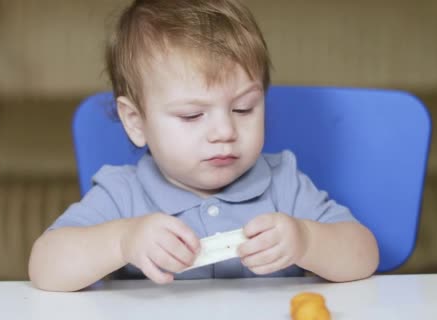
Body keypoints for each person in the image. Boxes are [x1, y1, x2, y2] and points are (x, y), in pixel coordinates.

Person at [28, 0, 379, 292]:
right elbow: (45, 267)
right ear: (136, 122)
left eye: (243, 108)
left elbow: (364, 254)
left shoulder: (282, 183)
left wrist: (306, 240)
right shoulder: (122, 194)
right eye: (193, 115)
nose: (225, 131)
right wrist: (122, 241)